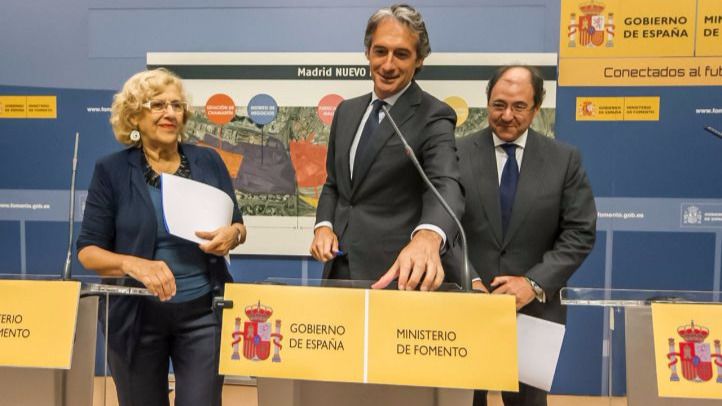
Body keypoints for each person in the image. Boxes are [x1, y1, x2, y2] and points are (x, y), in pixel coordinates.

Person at [76, 68, 246, 406]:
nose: (170, 113)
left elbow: (238, 225)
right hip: (135, 319)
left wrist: (234, 234)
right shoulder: (111, 170)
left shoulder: (208, 160)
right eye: (157, 105)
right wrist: (133, 264)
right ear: (135, 115)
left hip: (203, 314)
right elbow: (88, 252)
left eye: (177, 105)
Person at [457, 65, 596, 406]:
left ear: (536, 108)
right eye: (498, 104)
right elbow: (441, 227)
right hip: (464, 307)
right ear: (487, 103)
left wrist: (532, 284)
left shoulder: (564, 160)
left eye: (519, 106)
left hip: (534, 313)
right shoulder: (454, 153)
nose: (507, 115)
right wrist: (469, 278)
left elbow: (579, 233)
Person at [309, 3, 464, 291]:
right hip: (338, 274)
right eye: (380, 51)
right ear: (368, 52)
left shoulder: (434, 115)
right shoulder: (346, 112)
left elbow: (446, 185)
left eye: (401, 54)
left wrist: (428, 237)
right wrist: (324, 226)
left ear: (419, 60)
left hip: (396, 278)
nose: (388, 64)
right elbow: (334, 185)